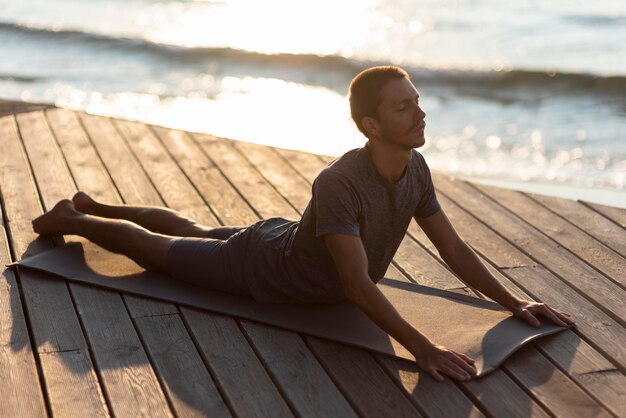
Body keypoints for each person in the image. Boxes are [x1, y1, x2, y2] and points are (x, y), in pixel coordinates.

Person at [32, 66, 574, 382]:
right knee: (155, 248)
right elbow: (358, 288)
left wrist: (514, 304)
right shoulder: (340, 182)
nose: (420, 114)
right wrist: (423, 349)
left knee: (191, 229)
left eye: (418, 102)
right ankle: (74, 218)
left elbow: (454, 251)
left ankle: (93, 205)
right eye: (403, 108)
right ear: (370, 125)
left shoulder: (416, 168)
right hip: (262, 269)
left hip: (280, 239)